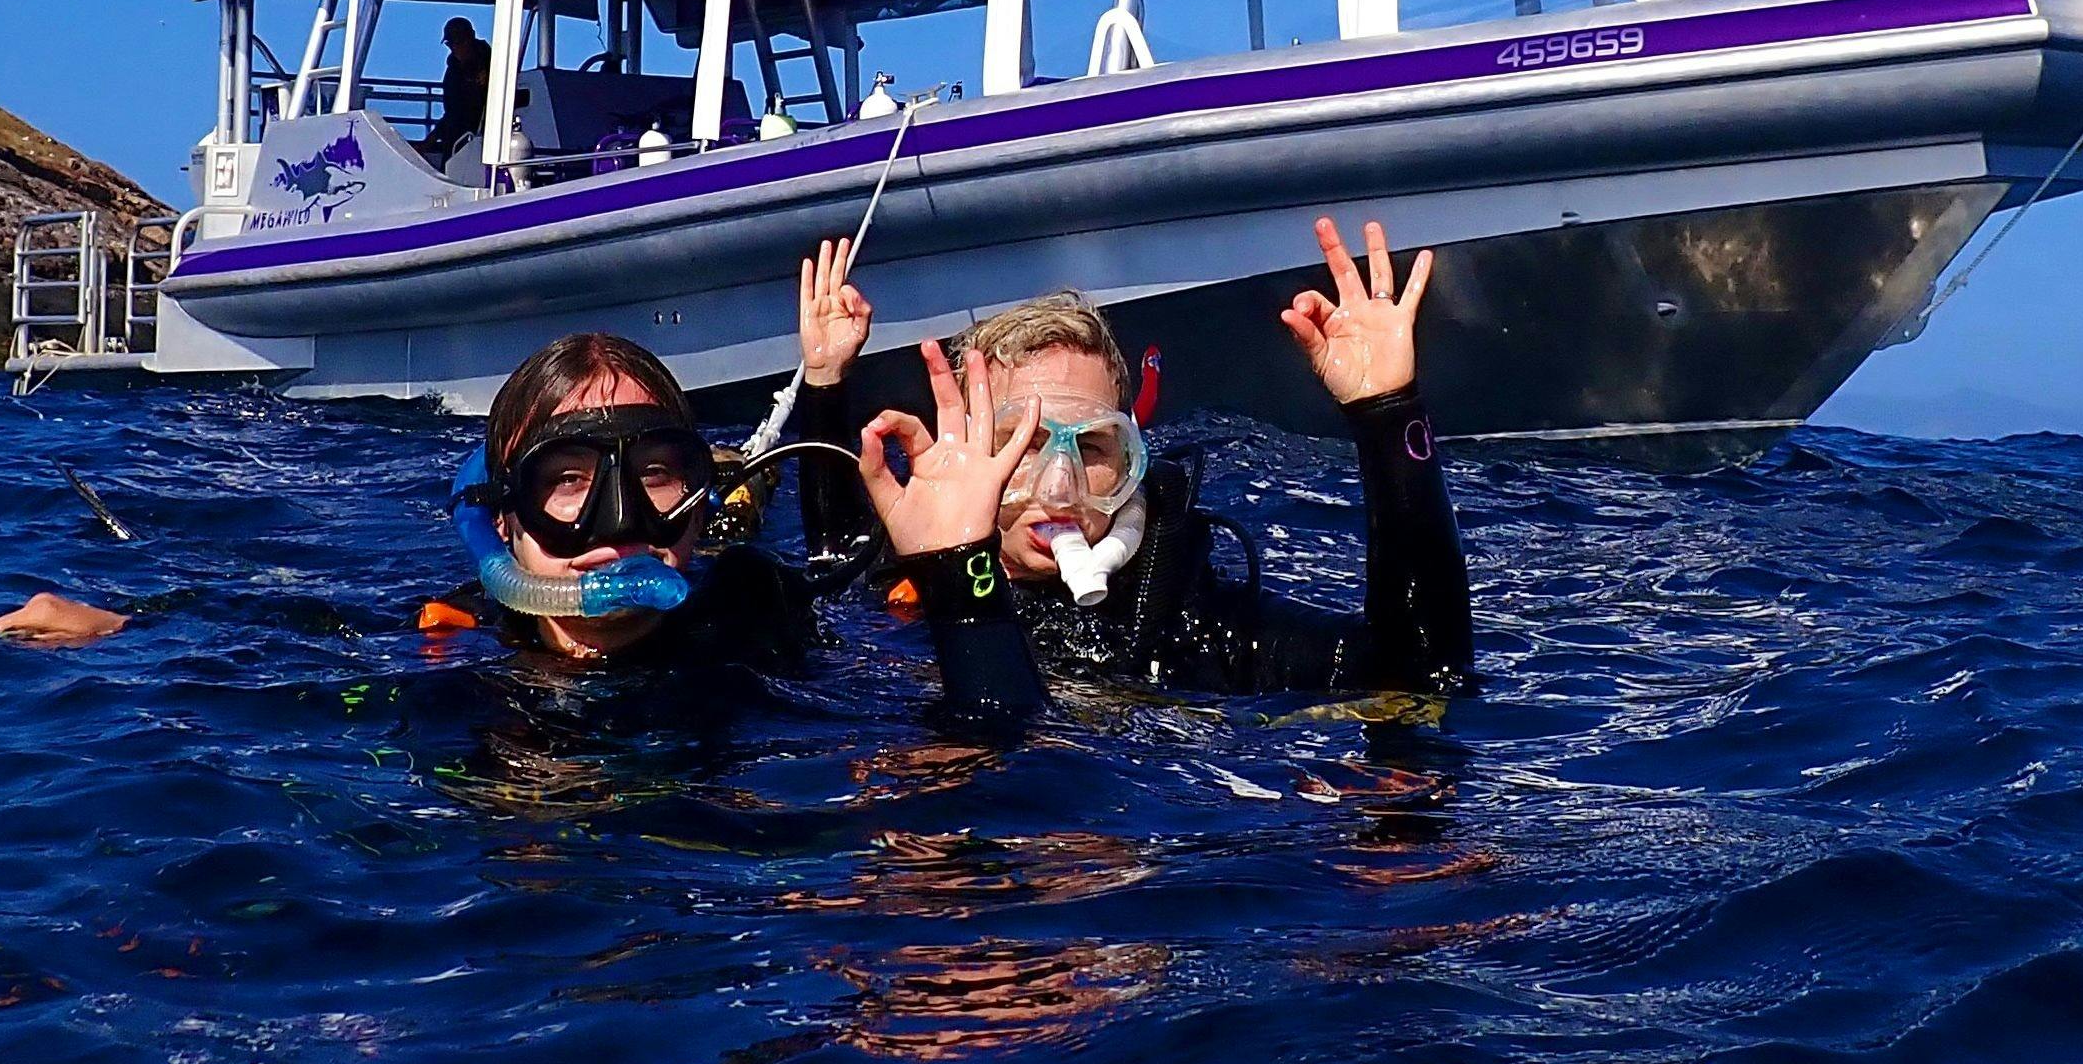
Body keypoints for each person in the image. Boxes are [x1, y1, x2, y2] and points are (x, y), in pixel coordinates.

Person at [791, 217, 1472, 698]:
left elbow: (1422, 672)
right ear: (964, 450)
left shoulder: (1189, 621)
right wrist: (823, 383)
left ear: (1132, 460)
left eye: (1090, 447)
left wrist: (1388, 416)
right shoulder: (892, 598)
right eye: (1020, 444)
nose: (1058, 487)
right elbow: (832, 553)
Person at [417, 328, 1045, 728]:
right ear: (504, 520)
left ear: (699, 496)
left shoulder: (757, 619)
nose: (619, 519)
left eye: (656, 471)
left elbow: (995, 751)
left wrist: (959, 575)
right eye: (566, 480)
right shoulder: (456, 649)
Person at [421, 16, 492, 167]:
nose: (455, 47)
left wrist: (431, 140)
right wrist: (430, 140)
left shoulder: (492, 65)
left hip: (480, 143)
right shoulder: (453, 70)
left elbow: (467, 110)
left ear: (471, 37)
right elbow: (453, 111)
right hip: (455, 138)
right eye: (450, 43)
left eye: (459, 42)